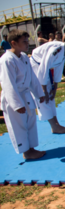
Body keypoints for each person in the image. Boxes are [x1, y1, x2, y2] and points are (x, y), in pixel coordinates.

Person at [0, 29, 46, 159]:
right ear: (13, 43)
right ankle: (26, 152)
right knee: (18, 125)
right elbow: (8, 84)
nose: (27, 44)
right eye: (24, 41)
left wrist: (39, 93)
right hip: (14, 97)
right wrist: (16, 104)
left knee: (30, 122)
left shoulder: (25, 57)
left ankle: (31, 148)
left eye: (27, 41)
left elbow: (32, 78)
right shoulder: (6, 60)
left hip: (26, 95)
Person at [30, 33, 65, 133]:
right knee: (42, 97)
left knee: (50, 96)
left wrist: (55, 87)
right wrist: (44, 89)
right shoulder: (55, 50)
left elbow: (59, 69)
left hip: (44, 69)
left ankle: (56, 124)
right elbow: (44, 67)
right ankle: (54, 126)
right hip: (37, 67)